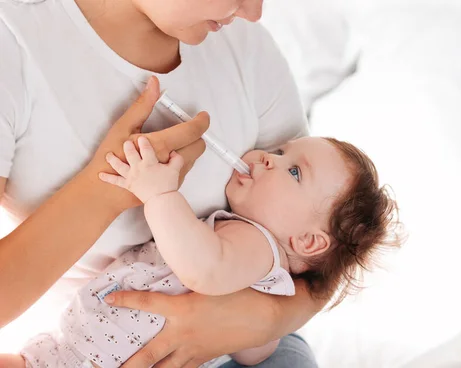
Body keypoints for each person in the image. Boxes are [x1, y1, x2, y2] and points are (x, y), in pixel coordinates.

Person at [0, 0, 323, 365]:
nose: (253, 12)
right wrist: (103, 195)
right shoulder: (12, 43)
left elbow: (334, 239)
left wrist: (264, 320)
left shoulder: (245, 45)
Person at [1, 133, 400, 367]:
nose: (267, 158)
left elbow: (203, 269)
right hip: (82, 350)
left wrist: (160, 192)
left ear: (308, 242)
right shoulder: (260, 267)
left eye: (293, 171)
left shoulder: (257, 244)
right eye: (280, 151)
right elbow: (256, 351)